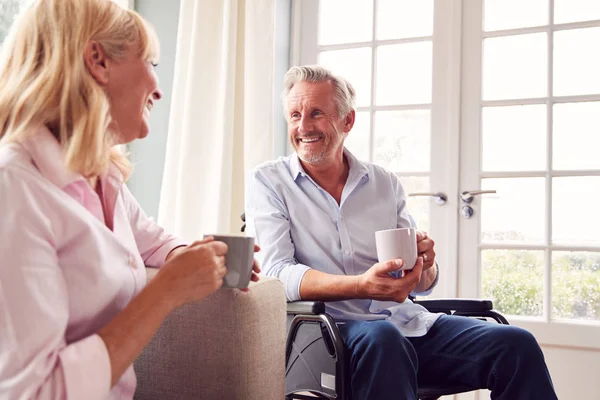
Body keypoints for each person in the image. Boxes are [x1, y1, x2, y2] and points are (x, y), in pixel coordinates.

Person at [245, 65, 557, 400]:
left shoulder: (383, 183)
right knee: (383, 340)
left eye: (316, 113)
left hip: (405, 325)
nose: (303, 126)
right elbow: (277, 274)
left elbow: (418, 283)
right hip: (326, 336)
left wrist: (425, 265)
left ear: (347, 121)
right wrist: (361, 285)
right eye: (294, 115)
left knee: (515, 344)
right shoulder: (269, 181)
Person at [0, 1, 259, 398]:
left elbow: (151, 240)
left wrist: (195, 257)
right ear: (98, 61)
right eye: (151, 62)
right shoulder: (15, 188)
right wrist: (165, 292)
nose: (157, 87)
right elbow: (32, 392)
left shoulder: (101, 178)